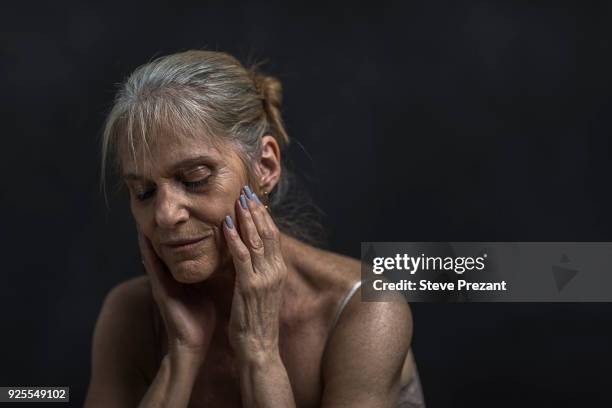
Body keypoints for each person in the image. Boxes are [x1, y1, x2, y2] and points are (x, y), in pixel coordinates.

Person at [84, 50, 425, 407]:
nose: (165, 214)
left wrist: (259, 352)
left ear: (264, 166)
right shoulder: (131, 314)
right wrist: (180, 358)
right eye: (144, 192)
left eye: (195, 178)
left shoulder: (364, 307)